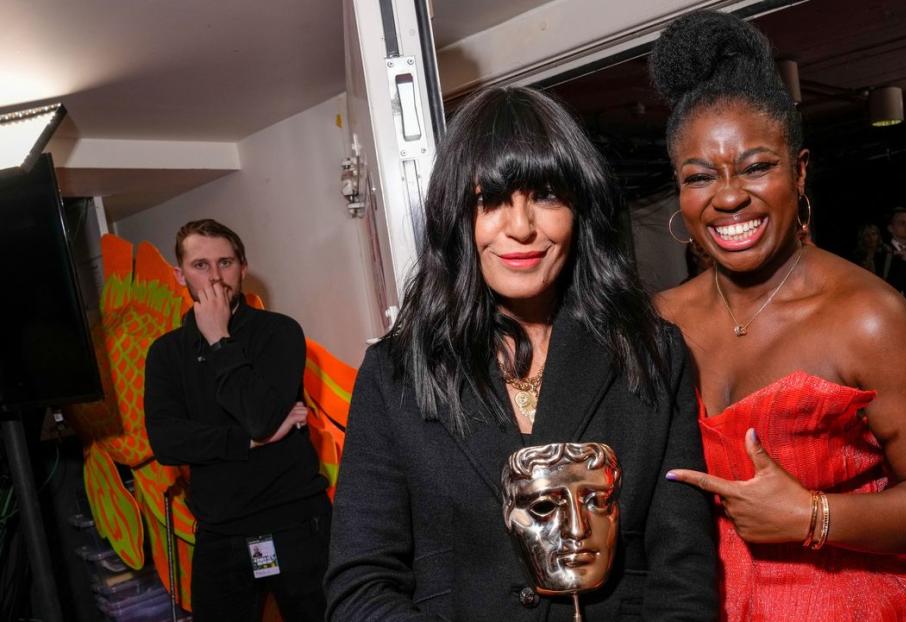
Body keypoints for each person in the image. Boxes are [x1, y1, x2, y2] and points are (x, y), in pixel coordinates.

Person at [323, 86, 717, 620]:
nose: (522, 227)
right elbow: (360, 585)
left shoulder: (651, 352)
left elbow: (683, 568)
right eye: (491, 200)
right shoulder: (396, 374)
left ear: (580, 209)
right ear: (457, 217)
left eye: (547, 196)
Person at [649, 11, 906, 621]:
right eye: (700, 177)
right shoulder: (660, 320)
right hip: (703, 604)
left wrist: (813, 516)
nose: (728, 196)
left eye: (757, 166)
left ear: (800, 171)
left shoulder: (867, 317)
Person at [145, 219, 330, 621]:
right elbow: (166, 441)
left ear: (243, 268)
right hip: (220, 533)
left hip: (295, 526)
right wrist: (247, 442)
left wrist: (219, 340)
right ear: (180, 275)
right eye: (200, 265)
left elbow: (260, 418)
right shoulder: (166, 353)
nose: (215, 276)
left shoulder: (279, 333)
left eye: (224, 262)